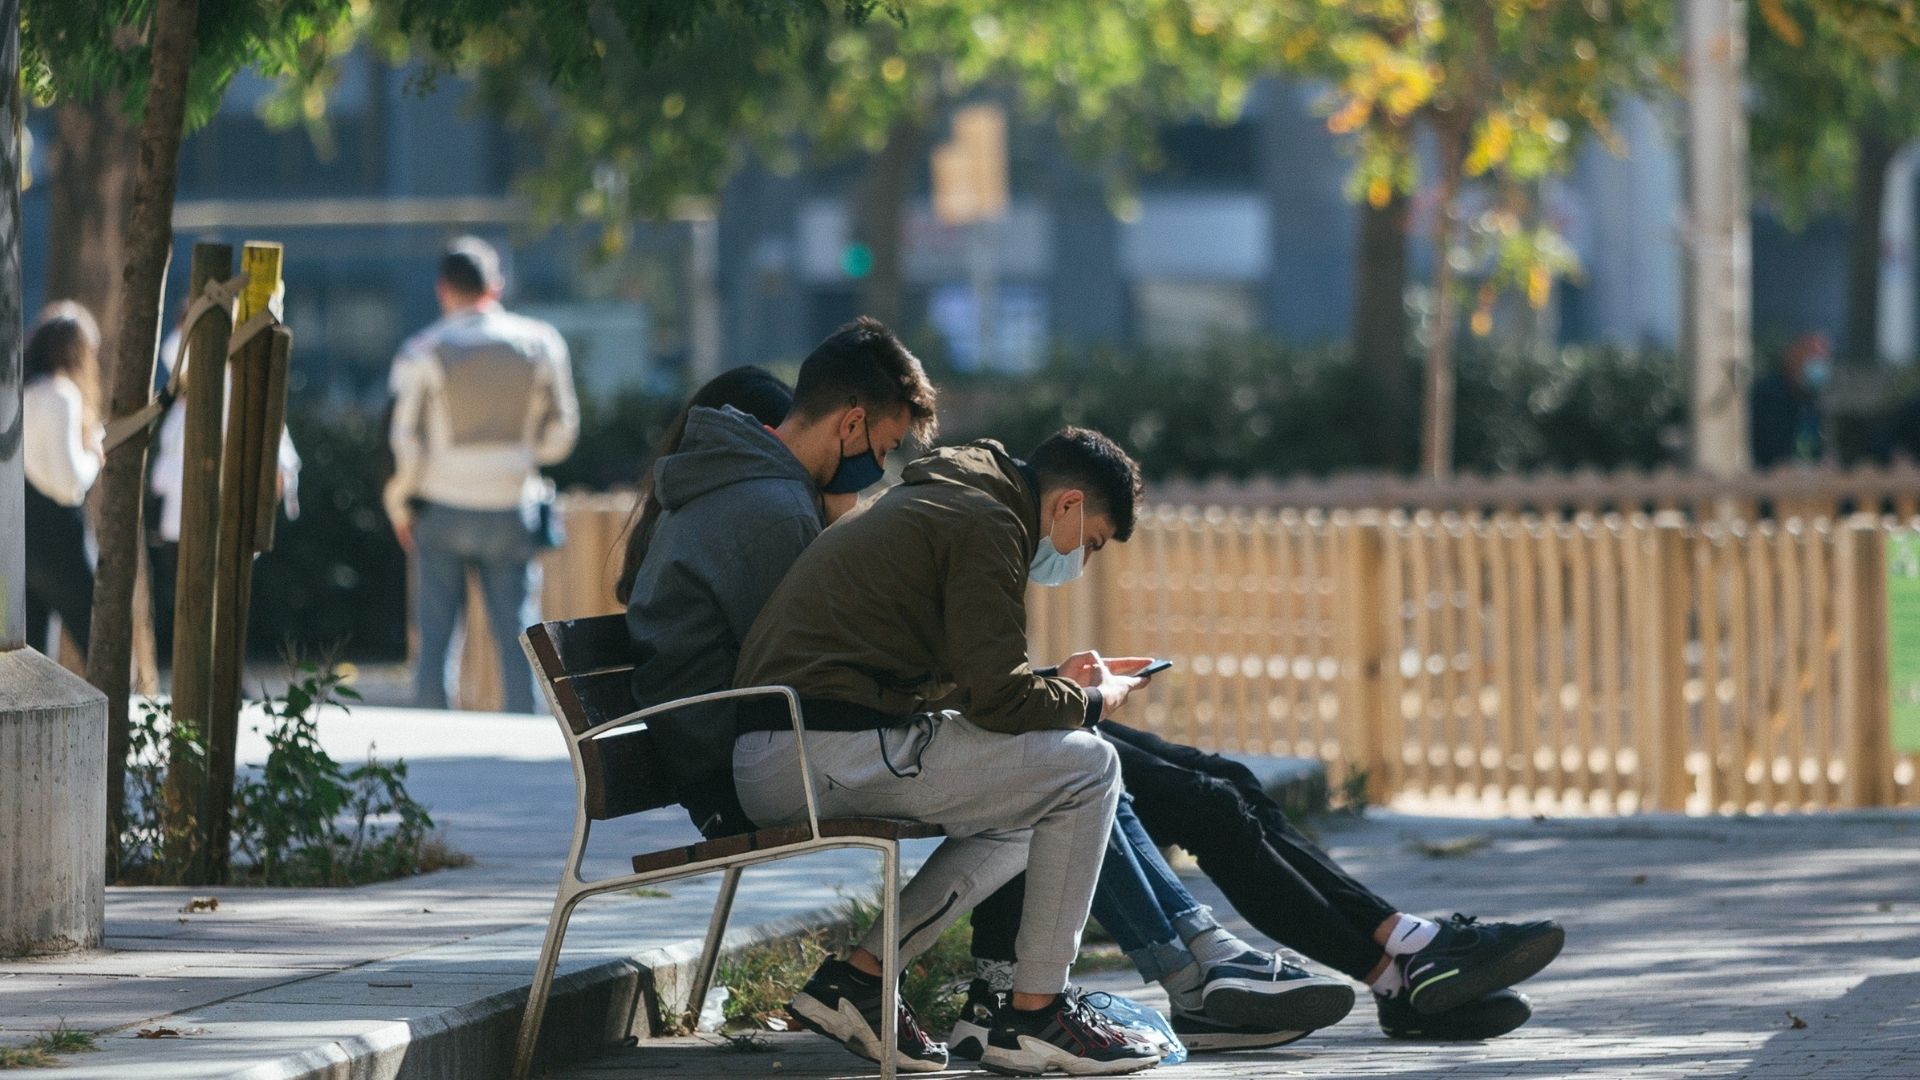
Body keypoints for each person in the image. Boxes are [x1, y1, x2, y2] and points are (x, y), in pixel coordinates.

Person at [731, 427, 1166, 1077]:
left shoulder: (959, 497)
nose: (1083, 559)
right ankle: (1035, 1013)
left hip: (797, 745)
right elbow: (996, 699)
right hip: (817, 748)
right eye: (1094, 543)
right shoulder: (987, 522)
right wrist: (1095, 702)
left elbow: (978, 681)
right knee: (1090, 766)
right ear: (1068, 505)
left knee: (1042, 793)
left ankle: (862, 980)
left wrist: (1056, 684)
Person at [621, 319, 935, 838]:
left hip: (719, 748)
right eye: (883, 449)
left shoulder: (756, 485)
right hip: (734, 771)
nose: (879, 468)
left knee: (1030, 764)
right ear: (851, 425)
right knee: (1028, 772)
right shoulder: (774, 511)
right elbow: (826, 661)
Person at [384, 237, 578, 713]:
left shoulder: (422, 351)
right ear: (496, 285)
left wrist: (399, 503)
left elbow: (403, 442)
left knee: (435, 643)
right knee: (520, 638)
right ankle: (522, 741)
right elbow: (563, 433)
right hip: (512, 505)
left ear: (442, 289)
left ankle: (432, 749)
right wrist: (524, 454)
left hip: (441, 507)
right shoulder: (540, 342)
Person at [148, 299, 302, 662]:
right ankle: (212, 673)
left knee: (211, 602)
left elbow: (272, 435)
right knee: (202, 604)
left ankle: (215, 675)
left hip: (214, 510)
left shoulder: (227, 376)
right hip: (187, 514)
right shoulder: (192, 378)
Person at [21, 302, 104, 657]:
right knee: (101, 643)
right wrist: (94, 454)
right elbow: (69, 484)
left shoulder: (20, 393)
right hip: (60, 538)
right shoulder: (61, 395)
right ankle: (124, 713)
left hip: (22, 540)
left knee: (35, 659)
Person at [1751, 332, 1831, 469]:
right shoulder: (1767, 395)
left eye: (1822, 358)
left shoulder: (1812, 401)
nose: (1818, 364)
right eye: (1812, 357)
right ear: (1793, 357)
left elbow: (1816, 445)